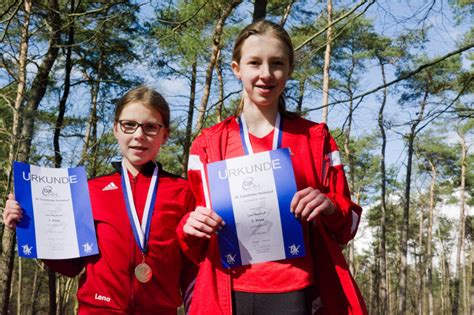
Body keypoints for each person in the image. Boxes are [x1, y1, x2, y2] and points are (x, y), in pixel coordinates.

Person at [177, 20, 367, 315]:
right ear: (237, 69)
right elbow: (190, 243)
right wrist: (191, 227)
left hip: (299, 290)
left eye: (276, 63)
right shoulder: (208, 144)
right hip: (227, 292)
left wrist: (329, 205)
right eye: (255, 63)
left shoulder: (316, 139)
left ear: (289, 69)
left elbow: (347, 226)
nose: (266, 74)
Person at [3, 86, 196, 314]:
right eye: (129, 125)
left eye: (151, 127)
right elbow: (72, 265)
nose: (139, 135)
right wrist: (30, 226)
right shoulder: (89, 190)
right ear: (116, 129)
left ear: (165, 135)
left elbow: (192, 269)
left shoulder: (183, 192)